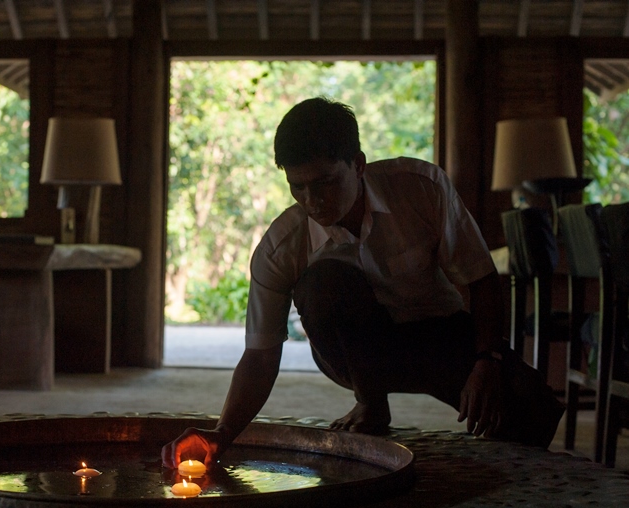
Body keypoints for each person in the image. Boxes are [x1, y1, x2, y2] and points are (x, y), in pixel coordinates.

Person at [162, 97, 564, 469]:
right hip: (352, 356)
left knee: (534, 410)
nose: (312, 200)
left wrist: (487, 361)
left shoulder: (422, 189)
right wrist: (223, 433)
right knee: (322, 283)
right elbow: (260, 355)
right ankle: (371, 403)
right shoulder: (281, 247)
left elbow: (481, 278)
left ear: (358, 163)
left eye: (324, 182)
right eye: (297, 187)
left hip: (438, 338)